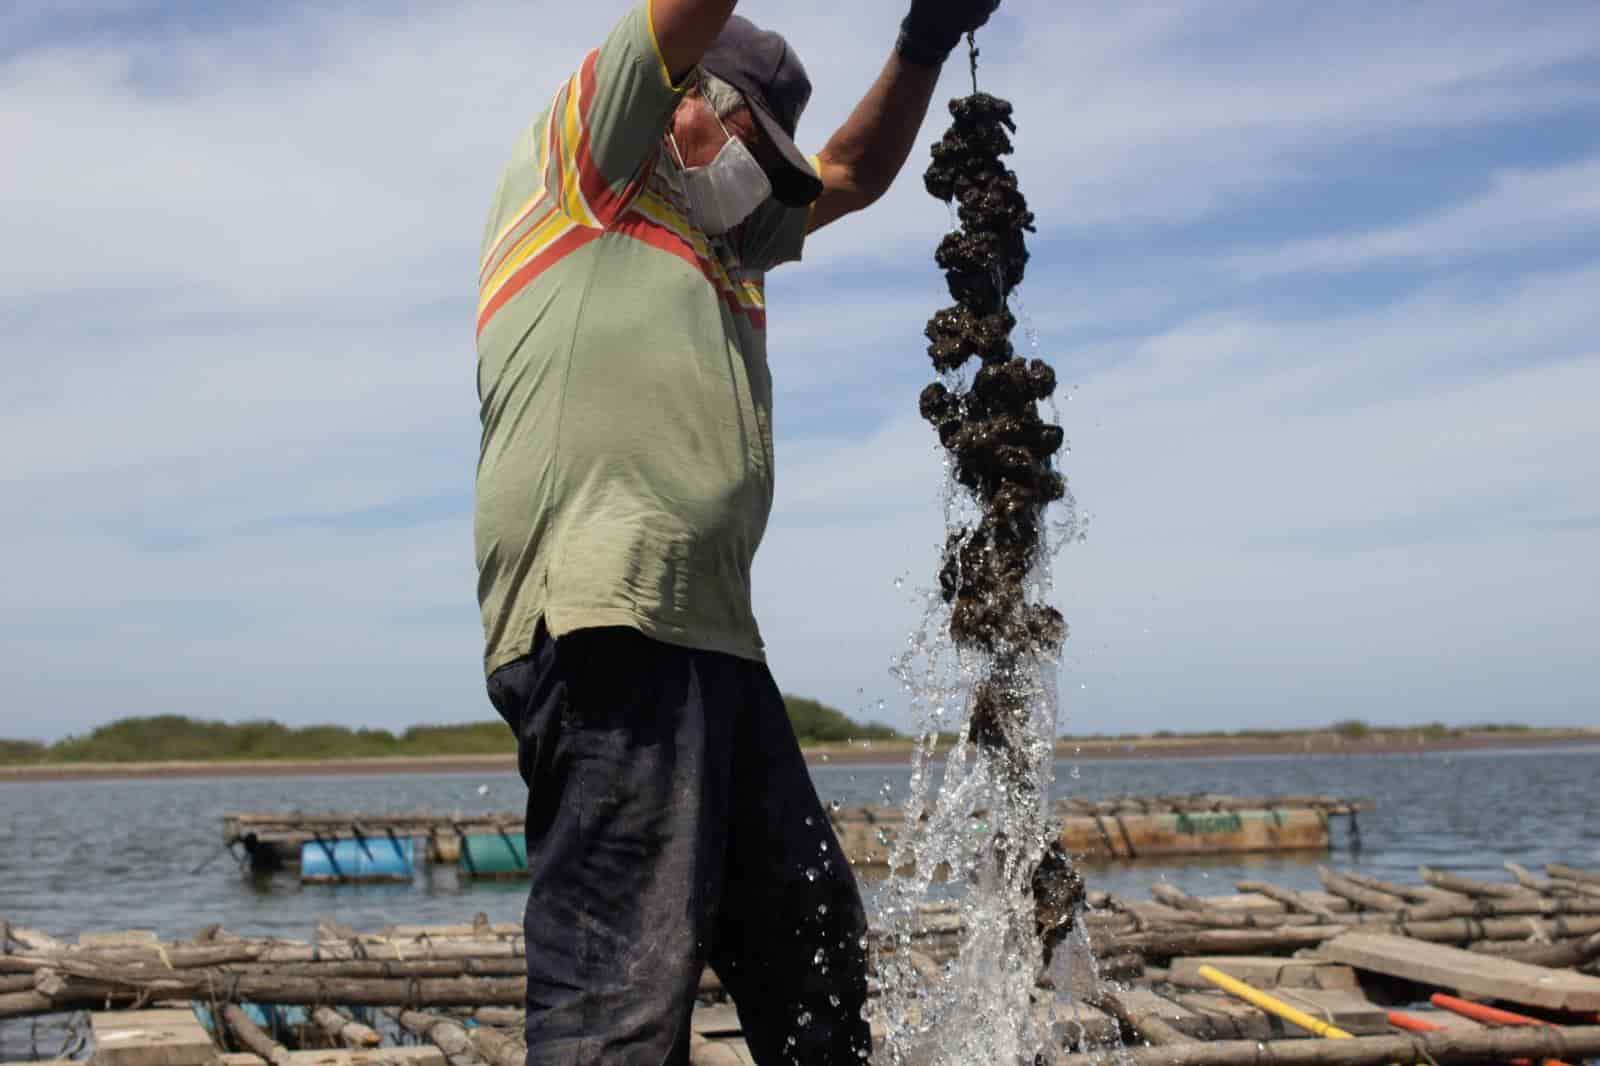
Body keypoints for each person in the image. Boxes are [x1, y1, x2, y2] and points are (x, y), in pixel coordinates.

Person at [474, 1, 1000, 1062]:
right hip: (605, 620)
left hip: (715, 640)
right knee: (617, 1000)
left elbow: (850, 173)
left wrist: (926, 40)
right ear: (680, 100)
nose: (763, 169)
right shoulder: (594, 163)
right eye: (747, 138)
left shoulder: (734, 237)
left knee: (813, 962)